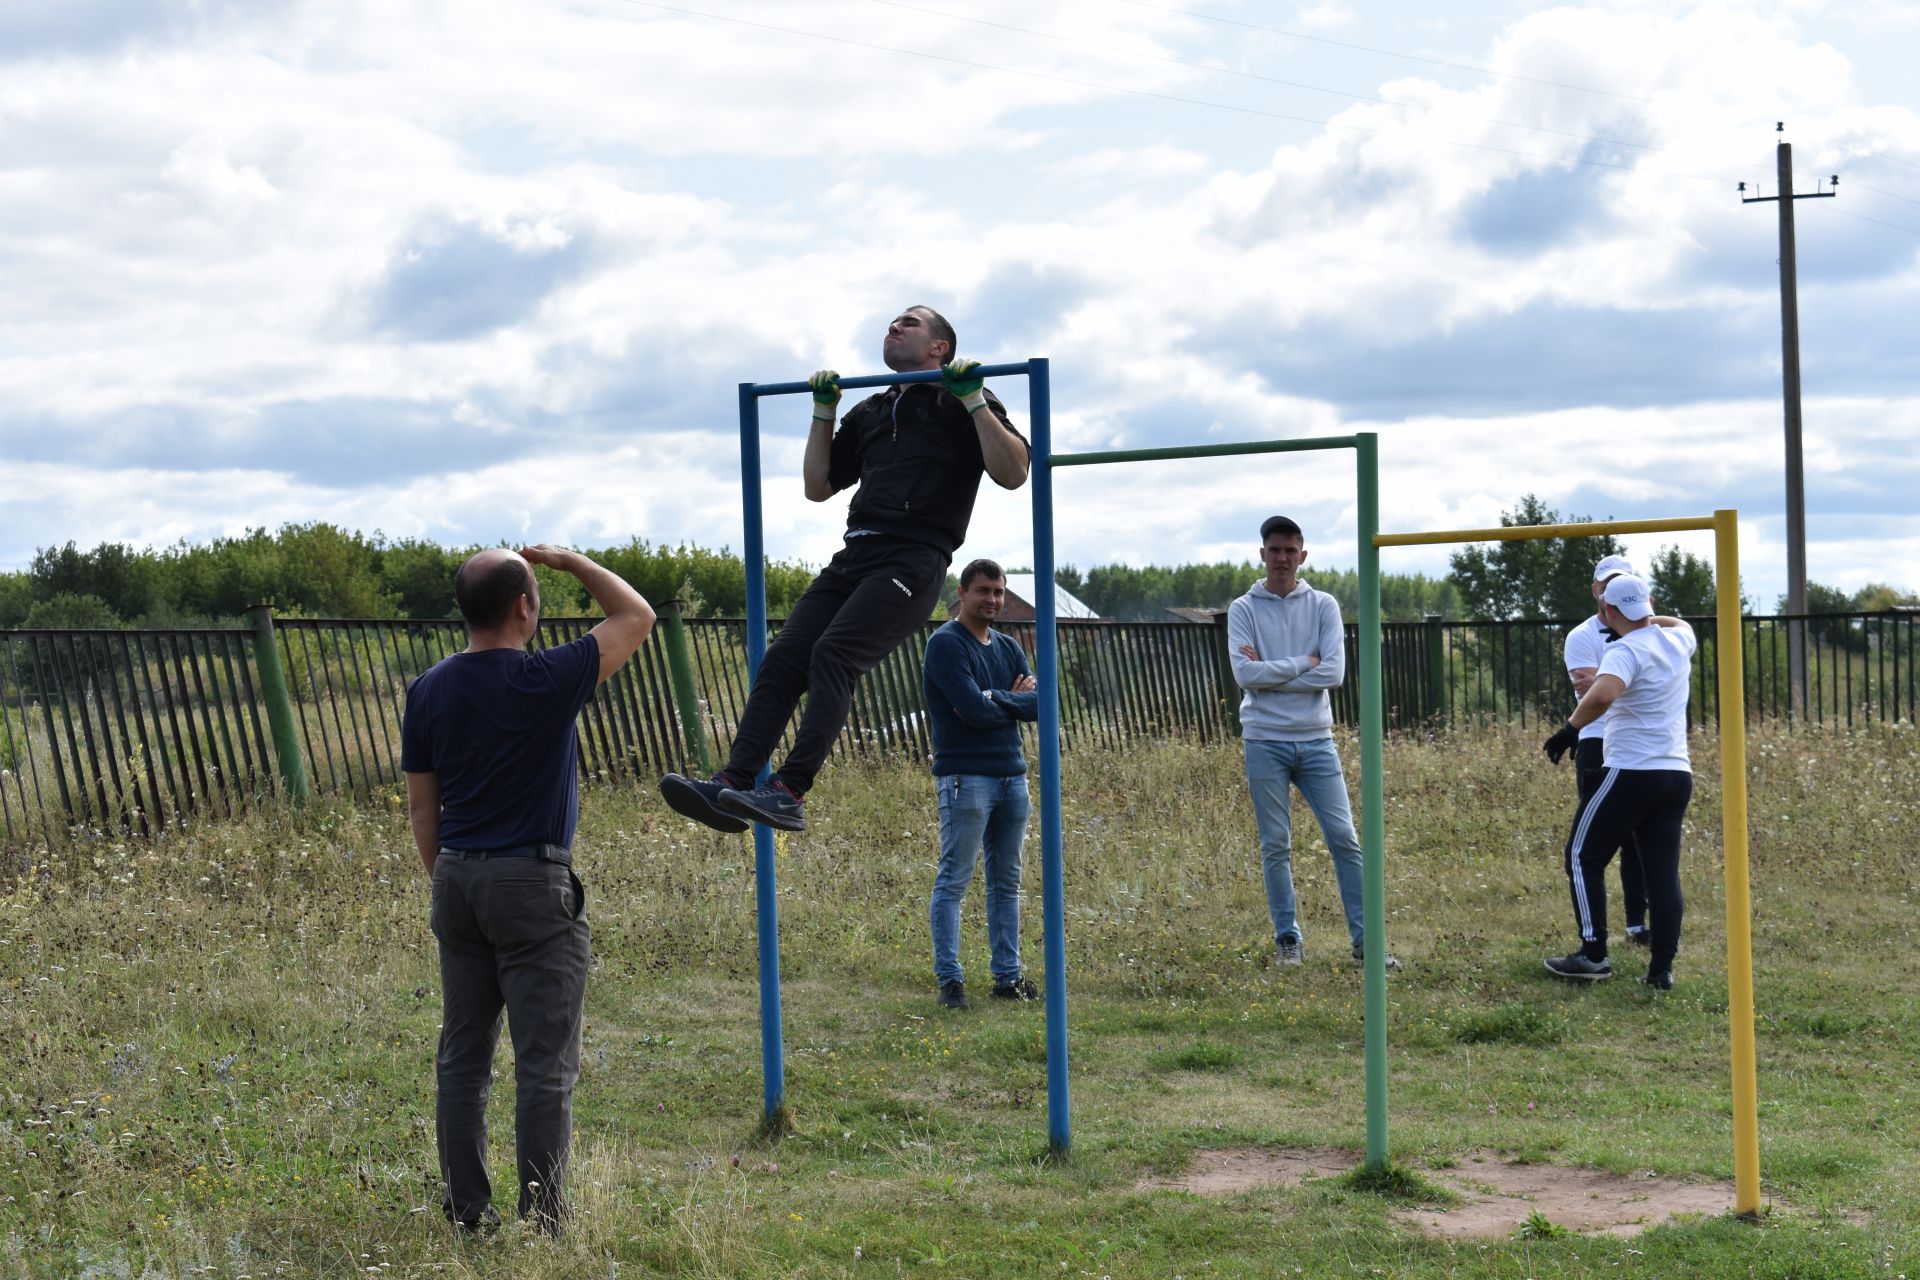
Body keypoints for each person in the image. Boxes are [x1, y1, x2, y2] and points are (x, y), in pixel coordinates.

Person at [660, 305, 1030, 833]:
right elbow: (818, 486)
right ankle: (734, 782)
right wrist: (823, 412)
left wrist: (972, 398)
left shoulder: (963, 397)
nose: (894, 326)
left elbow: (1013, 472)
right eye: (892, 322)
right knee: (786, 655)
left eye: (910, 322)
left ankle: (788, 791)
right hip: (856, 554)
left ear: (938, 348)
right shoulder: (874, 410)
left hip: (913, 557)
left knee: (833, 654)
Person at [402, 546, 654, 1233]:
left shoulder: (428, 688)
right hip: (533, 881)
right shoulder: (548, 676)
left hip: (455, 875)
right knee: (543, 1062)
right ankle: (544, 1220)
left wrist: (454, 881)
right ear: (524, 606)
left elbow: (424, 810)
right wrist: (574, 562)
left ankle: (466, 1212)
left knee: (464, 1055)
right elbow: (636, 614)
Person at [1228, 516, 1395, 971]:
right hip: (1264, 739)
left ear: (1303, 556)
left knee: (1345, 838)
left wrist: (1271, 673)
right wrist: (1304, 662)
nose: (1282, 558)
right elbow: (1245, 675)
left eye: (1290, 550)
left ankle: (1367, 945)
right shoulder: (1243, 609)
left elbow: (1335, 673)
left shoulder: (1323, 605)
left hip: (1316, 740)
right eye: (1274, 550)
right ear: (1262, 554)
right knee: (1275, 844)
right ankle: (1288, 940)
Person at [1541, 573, 1695, 990]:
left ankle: (1593, 955)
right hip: (1676, 773)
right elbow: (1675, 622)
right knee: (1662, 874)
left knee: (1580, 855)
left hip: (1631, 770)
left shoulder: (1624, 651)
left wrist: (1569, 729)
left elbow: (1604, 695)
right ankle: (1661, 969)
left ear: (1607, 611)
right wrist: (1644, 610)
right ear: (1650, 602)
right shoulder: (1680, 640)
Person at [921, 558, 1041, 1010]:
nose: (992, 599)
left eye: (998, 592)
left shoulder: (1008, 646)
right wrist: (1010, 699)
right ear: (962, 592)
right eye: (983, 591)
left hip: (1012, 776)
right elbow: (970, 711)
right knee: (955, 880)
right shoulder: (945, 645)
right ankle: (951, 981)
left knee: (1007, 883)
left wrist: (996, 698)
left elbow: (1039, 706)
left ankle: (1007, 978)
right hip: (964, 778)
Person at [1562, 554, 1649, 947]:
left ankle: (1636, 924)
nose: (1610, 591)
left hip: (1633, 739)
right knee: (1594, 839)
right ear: (1596, 590)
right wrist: (1618, 682)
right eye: (1605, 584)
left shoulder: (1647, 632)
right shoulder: (1582, 636)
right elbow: (1590, 691)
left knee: (1637, 839)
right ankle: (1595, 935)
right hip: (1596, 741)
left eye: (1620, 582)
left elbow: (1606, 687)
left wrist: (1608, 681)